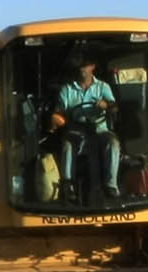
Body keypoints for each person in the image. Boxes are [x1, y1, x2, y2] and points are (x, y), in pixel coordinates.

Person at [49, 56, 117, 205]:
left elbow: (114, 107)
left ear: (92, 66)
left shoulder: (103, 87)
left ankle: (111, 186)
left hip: (100, 129)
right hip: (76, 129)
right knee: (67, 145)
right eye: (79, 66)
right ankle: (68, 187)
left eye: (84, 66)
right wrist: (56, 117)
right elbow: (60, 110)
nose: (81, 69)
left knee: (112, 143)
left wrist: (106, 105)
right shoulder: (67, 89)